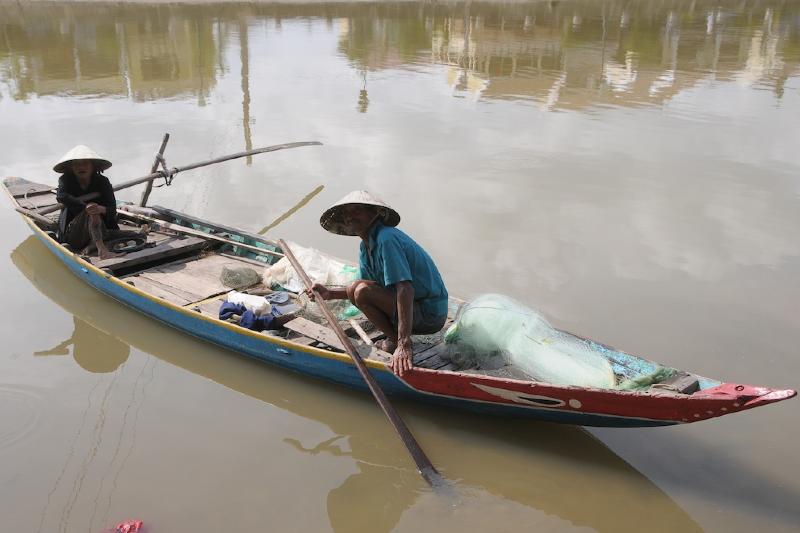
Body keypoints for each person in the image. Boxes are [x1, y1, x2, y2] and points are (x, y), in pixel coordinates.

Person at [309, 191, 449, 377]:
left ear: (374, 213)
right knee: (355, 288)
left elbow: (405, 288)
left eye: (357, 210)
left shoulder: (386, 238)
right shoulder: (365, 246)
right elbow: (366, 287)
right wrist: (330, 294)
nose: (350, 217)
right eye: (346, 213)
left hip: (429, 314)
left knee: (361, 291)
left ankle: (398, 343)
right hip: (411, 309)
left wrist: (404, 344)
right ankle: (393, 340)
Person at [54, 145, 140, 259]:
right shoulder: (65, 180)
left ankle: (93, 244)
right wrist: (87, 208)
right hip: (75, 235)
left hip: (102, 231)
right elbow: (61, 196)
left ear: (93, 166)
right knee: (91, 210)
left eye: (85, 163)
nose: (81, 167)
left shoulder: (102, 181)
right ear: (71, 168)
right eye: (77, 164)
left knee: (138, 236)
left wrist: (101, 209)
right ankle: (102, 251)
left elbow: (112, 210)